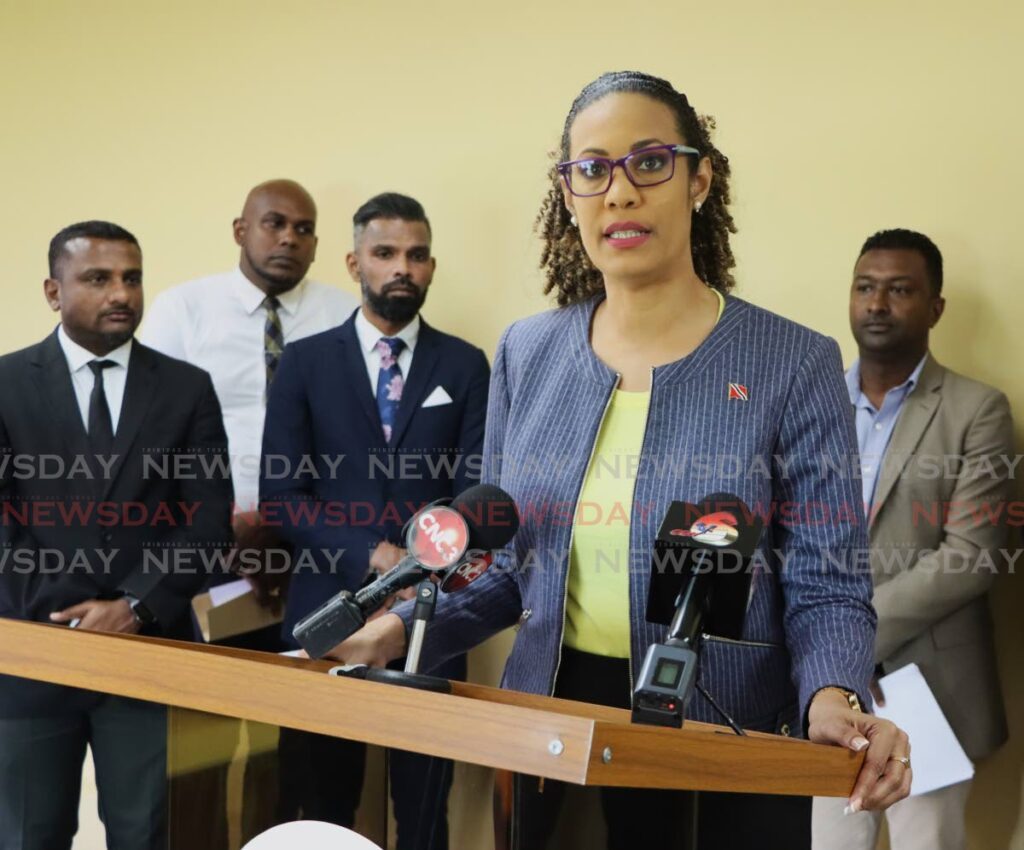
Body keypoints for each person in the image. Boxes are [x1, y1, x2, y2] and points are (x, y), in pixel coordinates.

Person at [325, 72, 913, 850]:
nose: (620, 191)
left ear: (699, 178)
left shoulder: (792, 362)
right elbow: (507, 566)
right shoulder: (529, 353)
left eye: (650, 162)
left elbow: (826, 579)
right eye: (592, 169)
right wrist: (392, 630)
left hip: (722, 733)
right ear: (568, 195)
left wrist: (832, 694)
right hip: (551, 728)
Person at [261, 192, 489, 849]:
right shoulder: (305, 362)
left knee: (424, 808)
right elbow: (282, 495)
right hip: (325, 609)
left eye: (416, 256)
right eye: (385, 253)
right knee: (321, 805)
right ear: (354, 261)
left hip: (432, 613)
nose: (402, 268)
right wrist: (375, 553)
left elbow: (471, 496)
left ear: (432, 267)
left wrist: (425, 571)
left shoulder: (465, 365)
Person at [0, 221, 233, 850]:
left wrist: (132, 605)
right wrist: (61, 610)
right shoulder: (5, 383)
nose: (120, 294)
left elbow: (207, 519)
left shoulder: (187, 388)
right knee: (26, 833)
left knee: (148, 832)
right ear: (53, 291)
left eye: (130, 277)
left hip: (147, 648)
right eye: (97, 279)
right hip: (31, 652)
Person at [140, 180, 358, 843]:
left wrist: (288, 524)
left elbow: (354, 441)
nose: (289, 238)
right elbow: (152, 433)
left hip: (311, 559)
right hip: (207, 554)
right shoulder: (184, 309)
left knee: (295, 736)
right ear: (241, 229)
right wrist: (223, 524)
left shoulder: (342, 314)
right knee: (200, 735)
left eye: (304, 228)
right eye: (274, 223)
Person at [811, 230, 1011, 850]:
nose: (877, 304)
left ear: (935, 308)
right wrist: (827, 649)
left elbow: (972, 557)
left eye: (899, 290)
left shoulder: (977, 410)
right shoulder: (811, 406)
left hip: (930, 686)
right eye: (865, 287)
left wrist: (852, 628)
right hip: (827, 689)